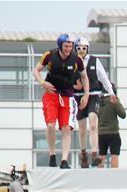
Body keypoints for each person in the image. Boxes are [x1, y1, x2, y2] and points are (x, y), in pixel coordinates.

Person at [34, 34, 90, 168]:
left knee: (66, 128)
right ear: (60, 46)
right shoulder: (50, 55)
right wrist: (42, 82)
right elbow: (36, 70)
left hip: (67, 95)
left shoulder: (77, 59)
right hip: (51, 92)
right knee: (51, 125)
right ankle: (52, 155)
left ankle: (64, 160)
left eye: (70, 46)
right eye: (66, 46)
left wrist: (86, 95)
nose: (68, 49)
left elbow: (84, 77)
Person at [73, 38, 115, 168]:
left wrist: (111, 92)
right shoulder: (72, 62)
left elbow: (103, 77)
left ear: (87, 49)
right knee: (81, 129)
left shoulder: (94, 61)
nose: (81, 51)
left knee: (92, 124)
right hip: (79, 97)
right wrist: (74, 86)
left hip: (93, 95)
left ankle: (95, 153)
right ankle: (83, 153)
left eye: (84, 48)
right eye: (78, 48)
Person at [97, 86, 125, 168]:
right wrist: (117, 102)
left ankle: (99, 176)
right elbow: (123, 114)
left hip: (101, 133)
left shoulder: (98, 102)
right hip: (113, 133)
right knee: (114, 155)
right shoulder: (113, 100)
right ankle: (114, 176)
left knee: (101, 156)